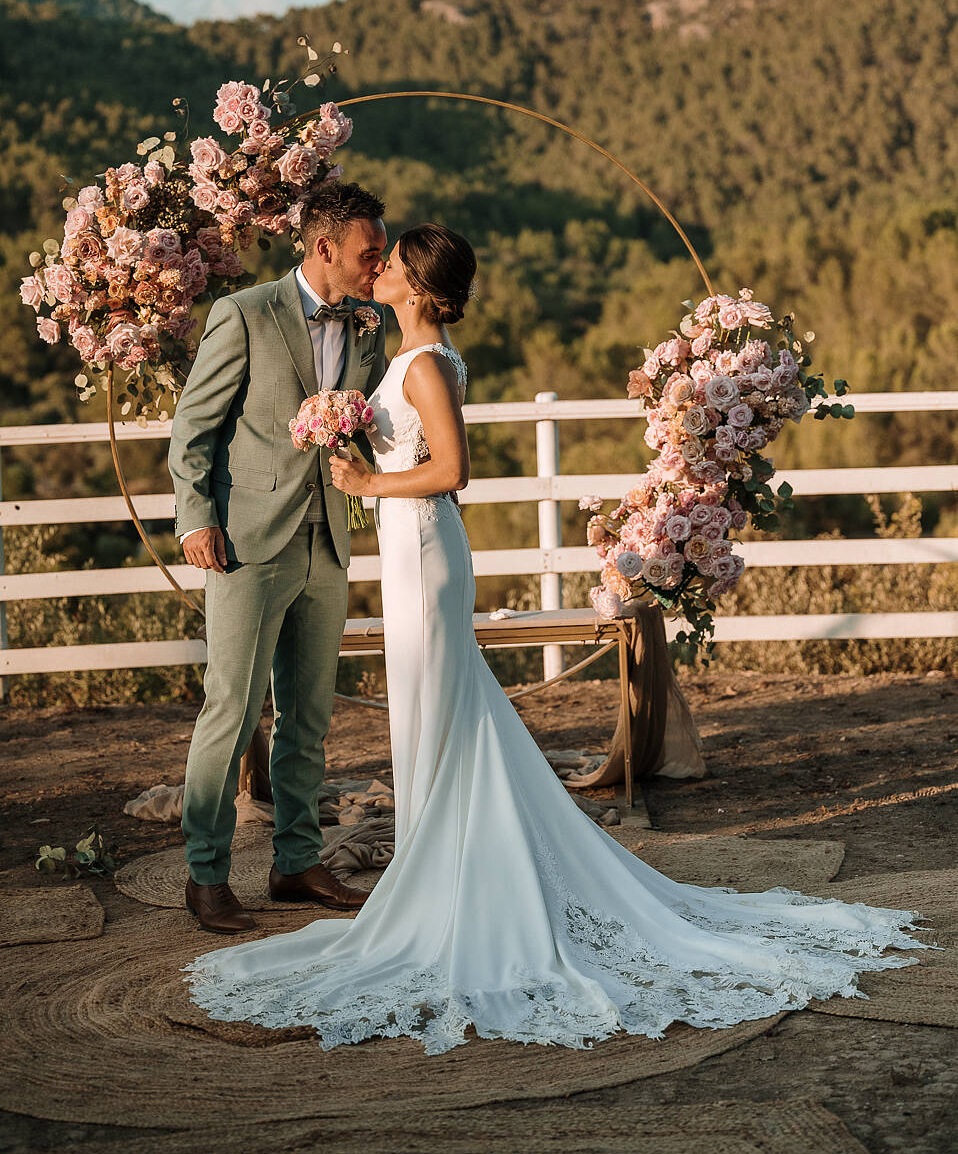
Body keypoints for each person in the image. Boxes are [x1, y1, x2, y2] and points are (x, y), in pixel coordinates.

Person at [185, 222, 924, 1052]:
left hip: (423, 541)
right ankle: (446, 867)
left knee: (438, 701)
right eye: (376, 257)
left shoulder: (423, 365)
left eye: (390, 263)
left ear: (420, 289)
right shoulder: (398, 355)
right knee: (435, 705)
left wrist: (365, 478)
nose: (377, 268)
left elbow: (454, 471)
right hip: (404, 543)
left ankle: (446, 885)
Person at [168, 182, 387, 934]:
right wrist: (196, 517)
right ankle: (206, 878)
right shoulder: (244, 314)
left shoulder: (370, 325)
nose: (378, 263)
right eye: (369, 252)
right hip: (246, 543)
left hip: (328, 537)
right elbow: (193, 428)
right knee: (230, 710)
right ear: (323, 248)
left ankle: (297, 860)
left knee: (310, 715)